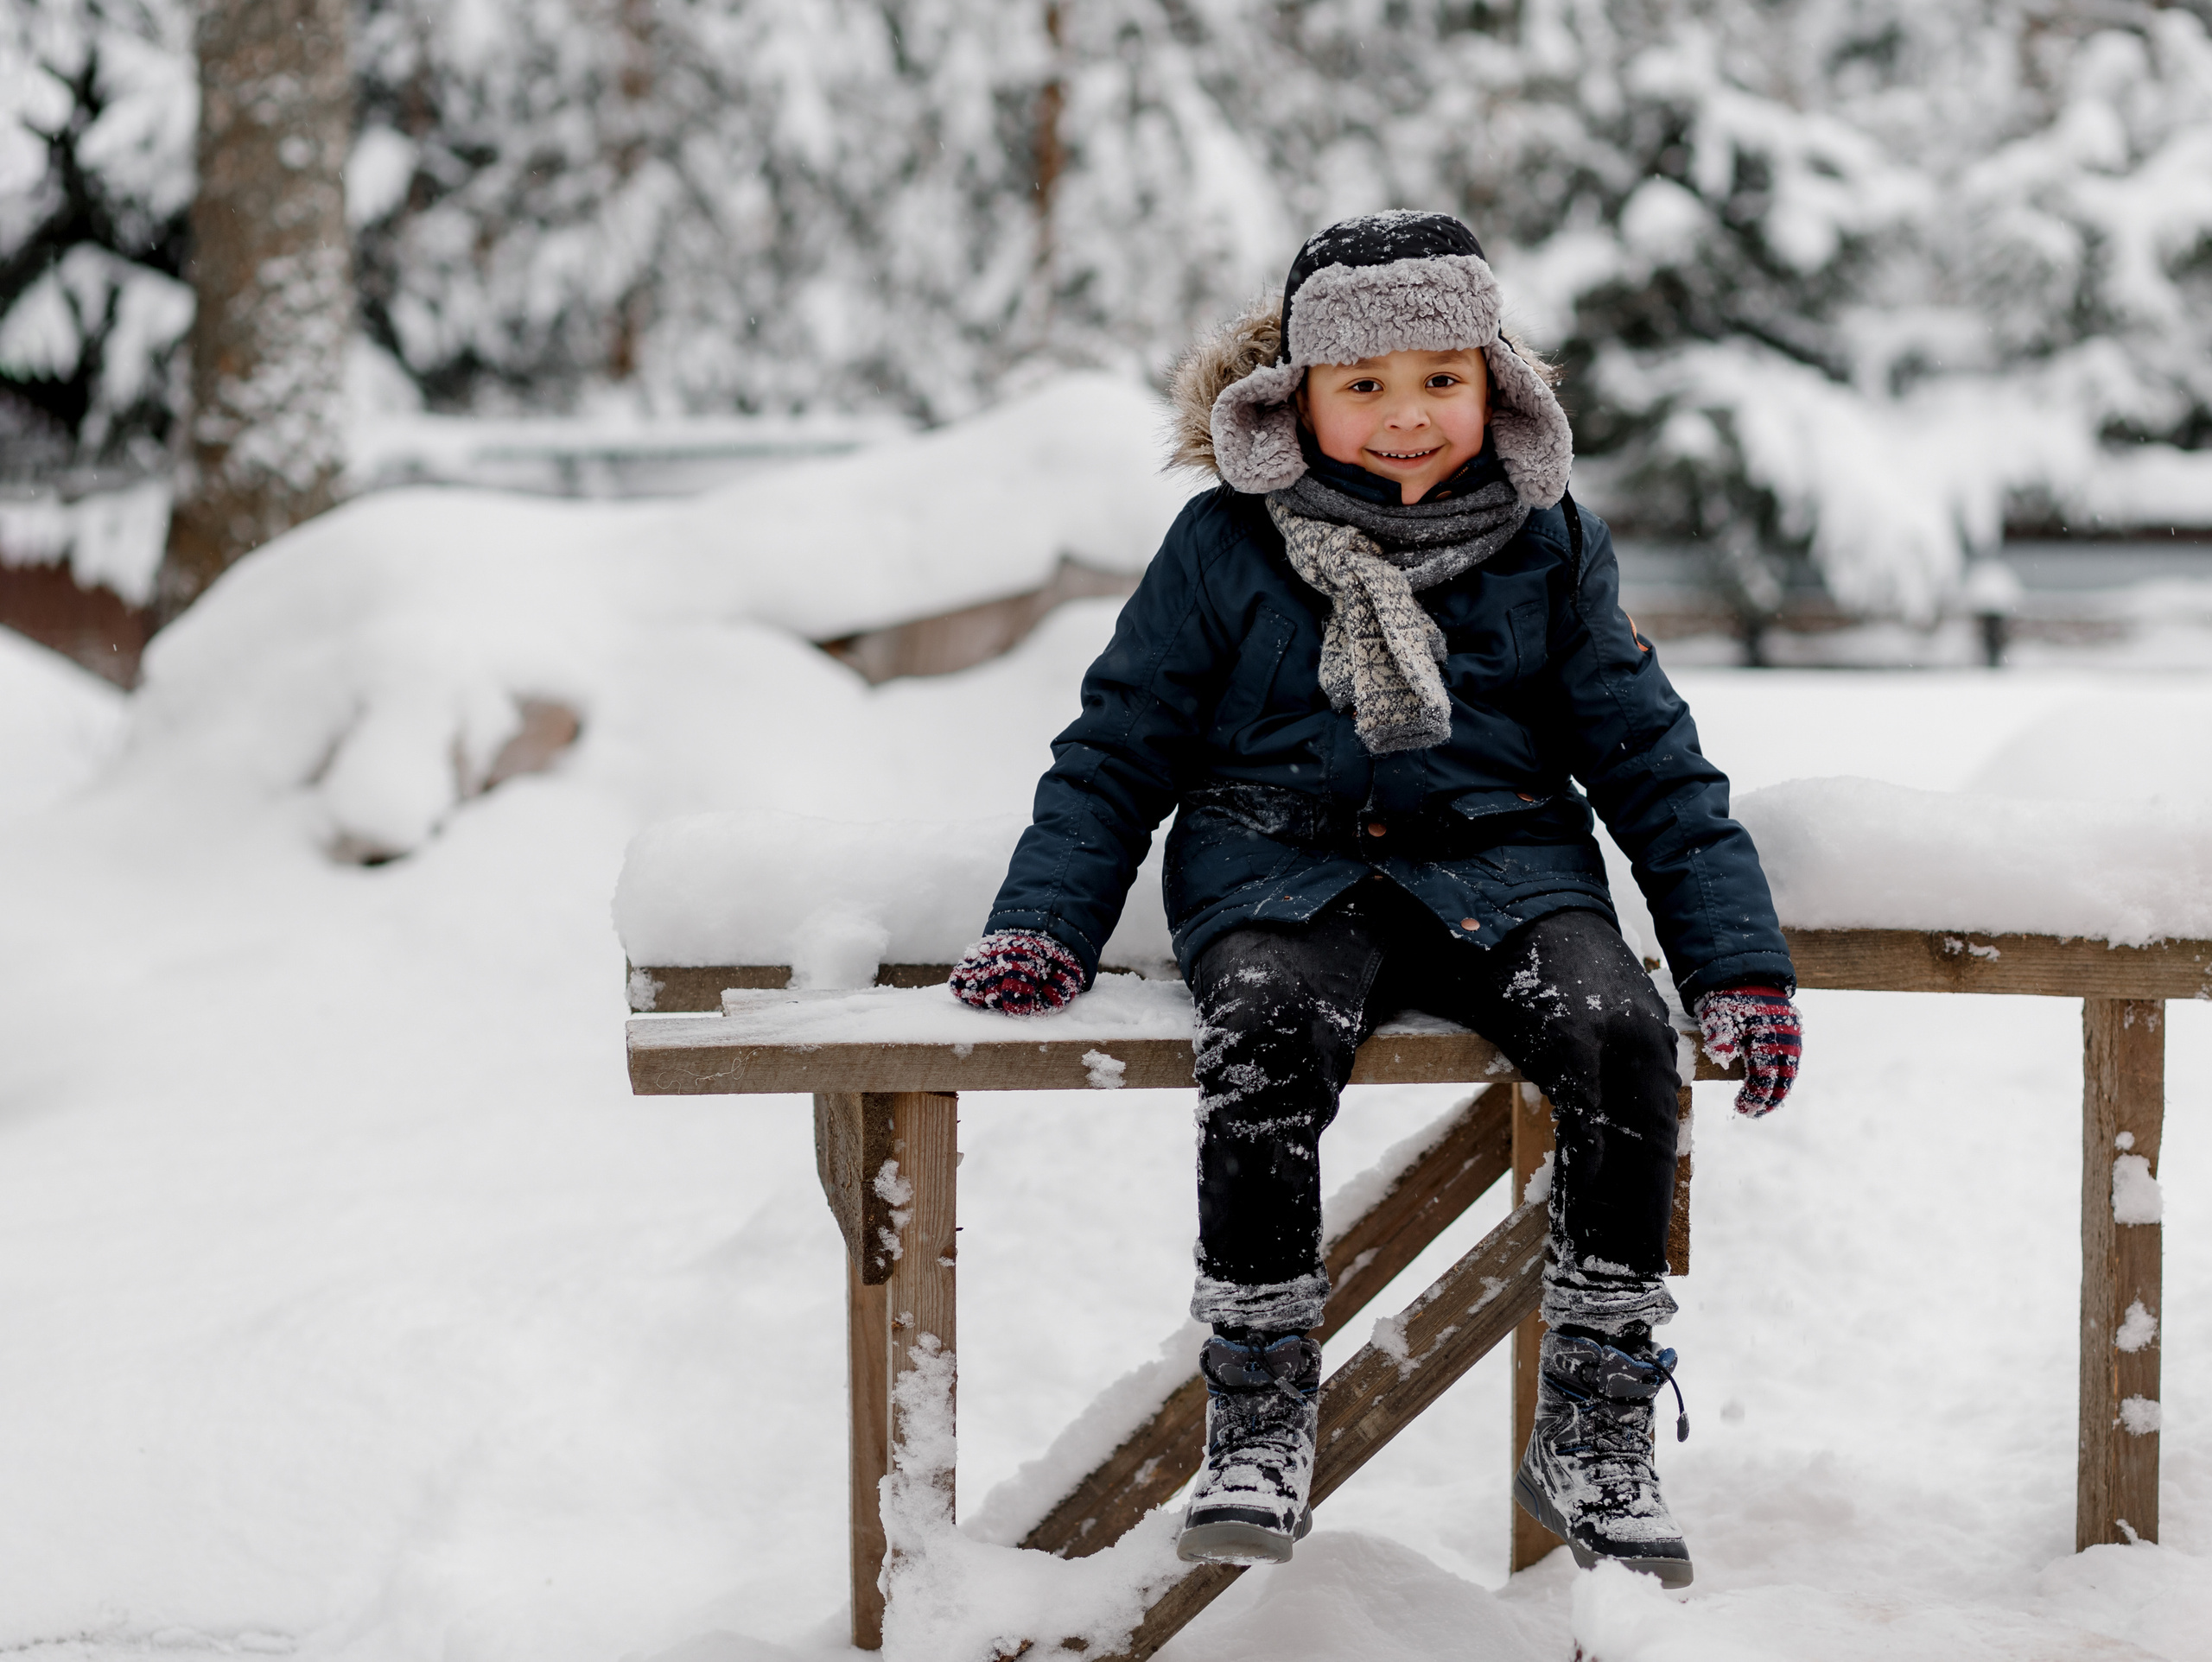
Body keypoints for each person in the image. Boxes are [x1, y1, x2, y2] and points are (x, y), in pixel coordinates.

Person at [946, 211, 1801, 1585]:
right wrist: (1047, 918)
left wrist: (1735, 968)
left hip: (1504, 865)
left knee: (1617, 1035)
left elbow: (1653, 761)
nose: (1407, 417)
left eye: (1439, 381)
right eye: (1365, 387)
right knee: (1269, 1029)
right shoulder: (1224, 544)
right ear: (1297, 397)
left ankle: (1596, 1413)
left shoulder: (1547, 544)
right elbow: (1119, 746)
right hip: (1279, 862)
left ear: (1495, 385)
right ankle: (1262, 1399)